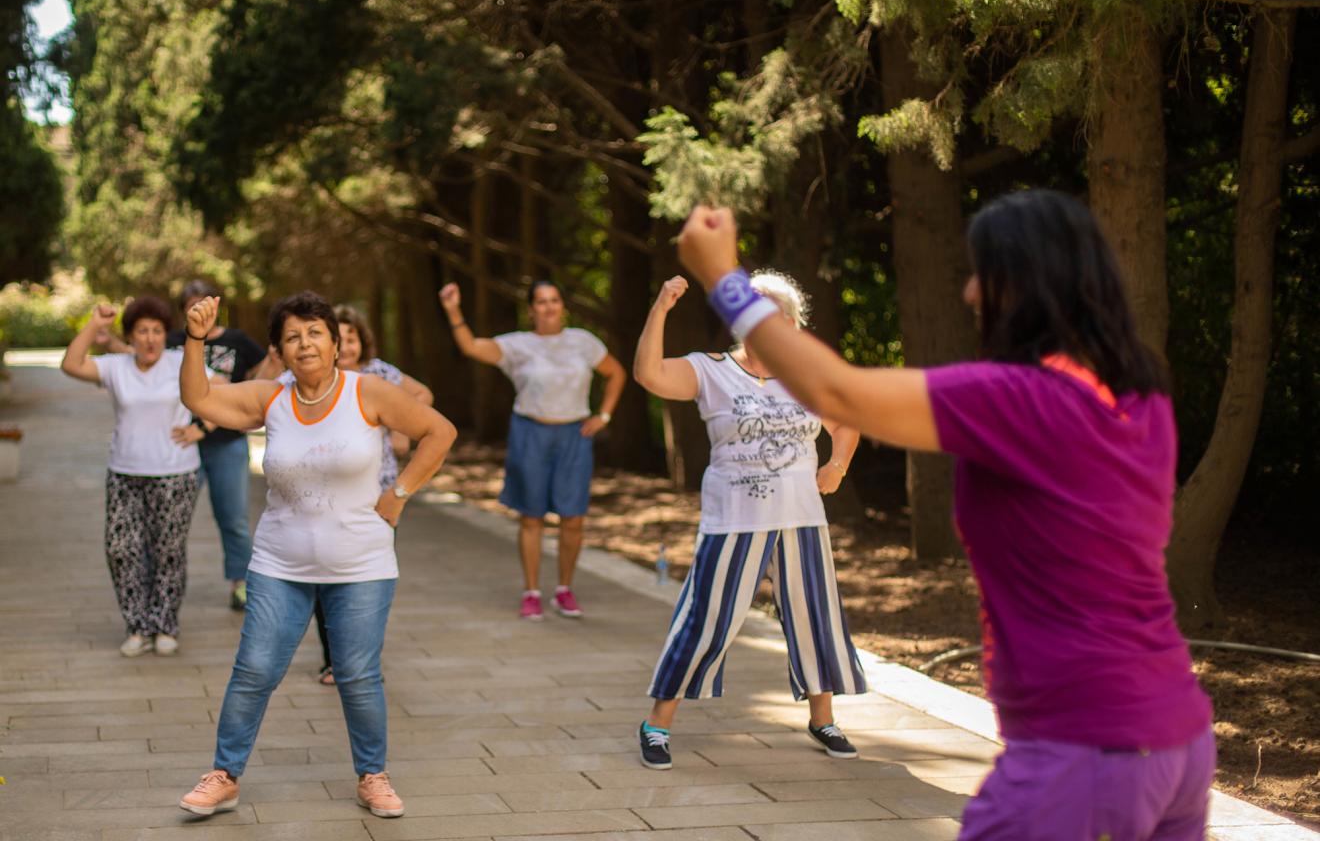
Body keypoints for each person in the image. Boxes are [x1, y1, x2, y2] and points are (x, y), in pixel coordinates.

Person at [674, 193, 1215, 840]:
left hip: (1084, 748)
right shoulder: (1139, 397)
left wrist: (726, 283)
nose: (966, 291)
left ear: (1021, 284)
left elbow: (837, 393)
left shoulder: (1016, 399)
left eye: (980, 272)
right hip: (1179, 733)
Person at [175, 291, 457, 820]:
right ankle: (225, 775)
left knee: (357, 673)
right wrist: (195, 338)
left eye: (315, 332)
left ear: (334, 342)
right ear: (279, 350)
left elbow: (438, 432)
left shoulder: (368, 391)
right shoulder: (270, 398)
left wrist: (399, 494)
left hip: (361, 566)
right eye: (292, 336)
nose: (304, 343)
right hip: (280, 563)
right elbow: (199, 399)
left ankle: (373, 776)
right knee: (255, 668)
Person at [632, 269, 866, 771]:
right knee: (706, 620)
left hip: (801, 518)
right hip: (734, 519)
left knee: (813, 617)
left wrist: (836, 467)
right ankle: (657, 725)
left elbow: (847, 422)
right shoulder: (711, 370)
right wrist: (660, 309)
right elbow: (649, 376)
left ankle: (823, 719)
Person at [439, 279, 626, 620]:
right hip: (530, 433)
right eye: (541, 301)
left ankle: (564, 590)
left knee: (573, 518)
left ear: (563, 306)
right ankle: (531, 592)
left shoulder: (583, 342)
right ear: (531, 310)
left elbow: (616, 373)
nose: (549, 306)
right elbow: (471, 347)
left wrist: (604, 415)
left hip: (574, 434)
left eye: (554, 300)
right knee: (532, 516)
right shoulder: (518, 345)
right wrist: (453, 311)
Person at [293, 304, 434, 686]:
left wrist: (401, 424)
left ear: (359, 339)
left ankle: (363, 658)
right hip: (325, 494)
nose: (348, 344)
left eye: (353, 336)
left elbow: (423, 394)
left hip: (379, 494)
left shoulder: (380, 374)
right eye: (340, 336)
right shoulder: (318, 378)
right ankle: (334, 661)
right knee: (325, 578)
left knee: (368, 578)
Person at [60, 297, 203, 657]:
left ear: (165, 334)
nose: (150, 338)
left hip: (175, 472)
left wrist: (202, 428)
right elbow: (71, 364)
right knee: (121, 549)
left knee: (167, 550)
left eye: (157, 330)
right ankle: (138, 625)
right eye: (142, 331)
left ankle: (165, 624)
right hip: (124, 473)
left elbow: (220, 391)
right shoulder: (116, 367)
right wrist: (94, 325)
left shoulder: (180, 362)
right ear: (131, 335)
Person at [169, 280, 272, 611]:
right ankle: (166, 587)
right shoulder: (174, 342)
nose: (199, 309)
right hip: (181, 444)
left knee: (234, 518)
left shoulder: (238, 340)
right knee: (172, 519)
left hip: (228, 442)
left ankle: (241, 584)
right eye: (191, 303)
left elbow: (259, 378)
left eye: (204, 301)